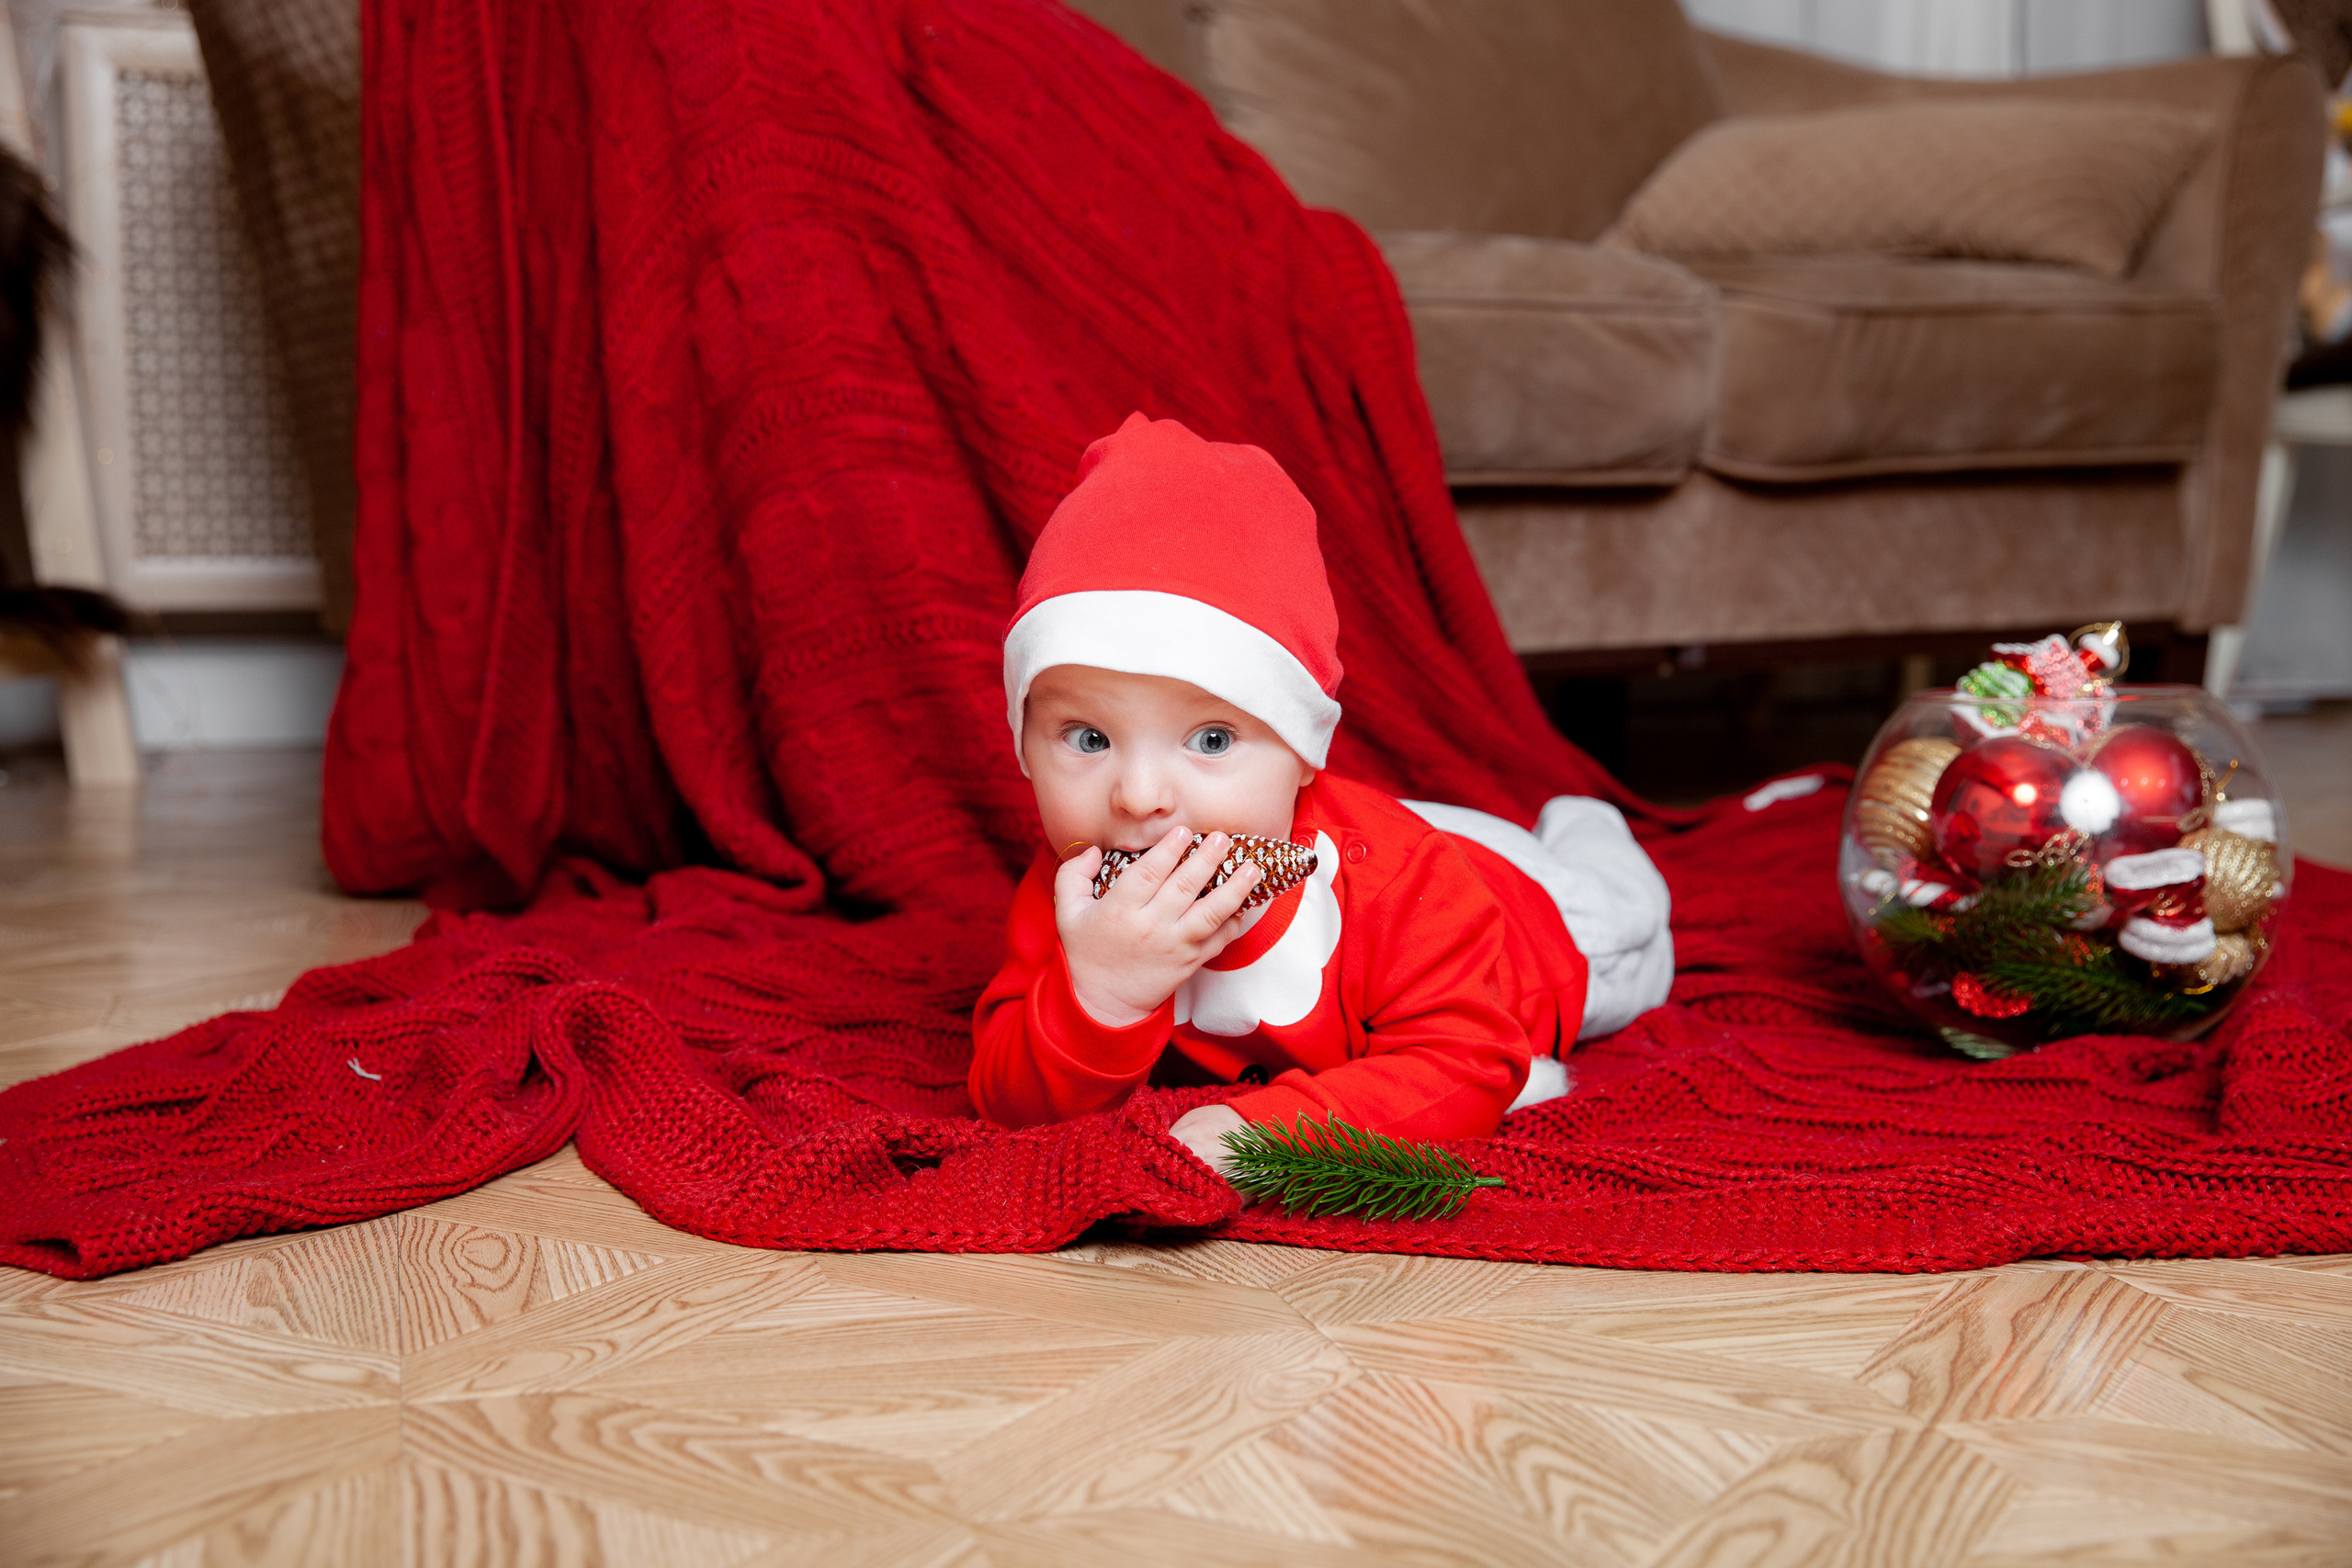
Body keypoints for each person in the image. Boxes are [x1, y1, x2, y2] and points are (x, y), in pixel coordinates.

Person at [969, 414, 1672, 1179]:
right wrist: (1100, 994)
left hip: (1537, 917)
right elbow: (1010, 1100)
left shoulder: (1403, 888)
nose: (1138, 798)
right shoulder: (1073, 884)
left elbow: (1471, 1062)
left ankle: (1588, 822)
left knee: (1624, 905)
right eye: (1089, 738)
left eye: (1210, 739)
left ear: (1304, 753)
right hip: (1387, 834)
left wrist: (1259, 1132)